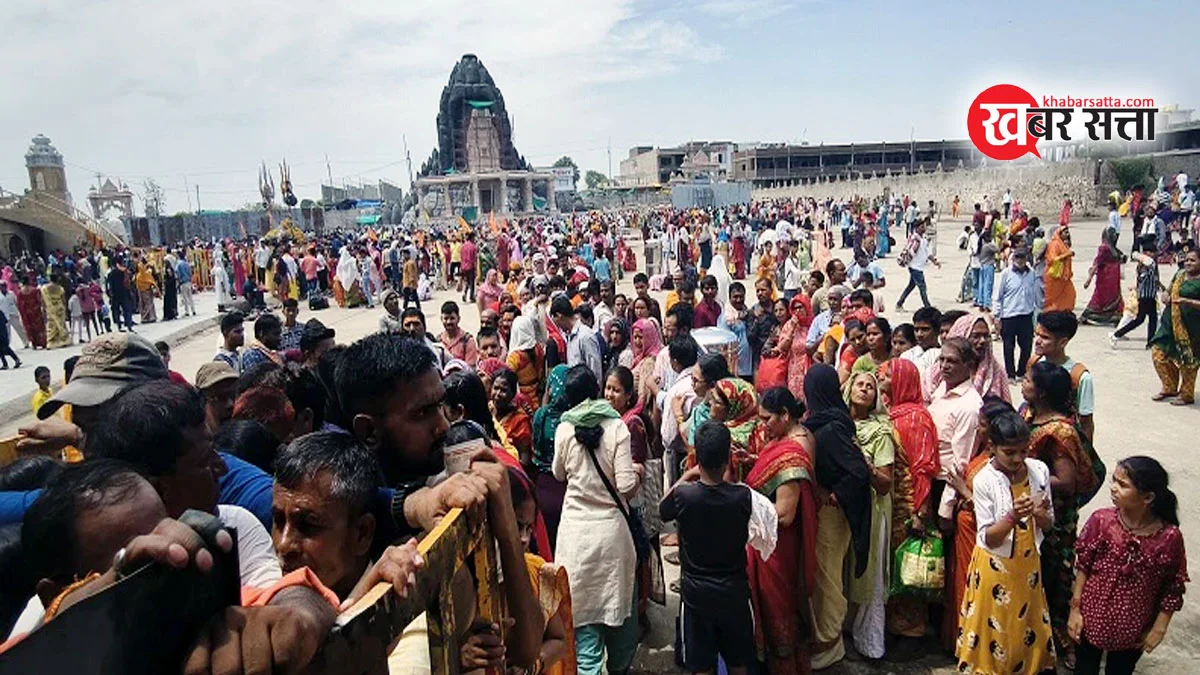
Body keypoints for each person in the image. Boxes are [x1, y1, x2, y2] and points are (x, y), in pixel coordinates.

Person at [954, 406, 1056, 675]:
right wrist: (1013, 515)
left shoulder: (1039, 472)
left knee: (1023, 624)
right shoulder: (985, 479)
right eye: (1009, 453)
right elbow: (988, 535)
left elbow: (1048, 523)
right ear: (992, 448)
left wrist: (1039, 513)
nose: (1018, 459)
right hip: (996, 564)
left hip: (1028, 561)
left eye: (1023, 451)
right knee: (996, 622)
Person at [552, 365, 639, 675]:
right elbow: (627, 487)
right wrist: (639, 475)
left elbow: (558, 474)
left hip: (575, 538)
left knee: (585, 628)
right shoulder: (618, 428)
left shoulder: (563, 429)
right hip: (612, 538)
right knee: (619, 621)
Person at [1069, 456, 1188, 675]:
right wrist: (1075, 610)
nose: (1113, 488)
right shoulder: (1102, 521)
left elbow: (1173, 587)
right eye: (1114, 481)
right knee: (1084, 668)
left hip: (1134, 629)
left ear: (1148, 497)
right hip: (1091, 618)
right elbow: (1084, 566)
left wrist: (1159, 628)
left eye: (1123, 485)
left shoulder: (1169, 538)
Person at [660, 421, 761, 675]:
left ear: (698, 457)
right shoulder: (743, 497)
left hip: (696, 594)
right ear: (727, 458)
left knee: (701, 665)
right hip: (734, 591)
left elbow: (663, 509)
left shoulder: (684, 496)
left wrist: (687, 475)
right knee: (739, 662)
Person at [1023, 361, 1098, 664]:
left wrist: (1023, 476)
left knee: (1054, 577)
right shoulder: (1031, 416)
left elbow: (1065, 481)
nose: (1023, 383)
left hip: (1054, 520)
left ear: (1040, 392)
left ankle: (1063, 643)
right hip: (1031, 513)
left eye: (1027, 380)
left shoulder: (1059, 432)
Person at [803, 364, 872, 669]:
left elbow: (857, 472)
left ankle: (829, 648)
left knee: (827, 580)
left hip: (832, 516)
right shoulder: (832, 419)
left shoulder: (829, 429)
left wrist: (833, 495)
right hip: (829, 515)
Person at [744, 387, 817, 674]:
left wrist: (743, 506)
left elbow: (785, 514)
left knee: (778, 606)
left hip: (777, 546)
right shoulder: (780, 445)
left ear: (785, 416)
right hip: (768, 540)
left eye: (767, 419)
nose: (763, 426)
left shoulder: (792, 455)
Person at [844, 368, 898, 660]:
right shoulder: (841, 426)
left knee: (869, 573)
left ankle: (870, 643)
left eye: (870, 386)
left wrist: (864, 463)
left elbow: (885, 483)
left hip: (874, 509)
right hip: (846, 510)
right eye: (859, 384)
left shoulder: (880, 432)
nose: (864, 389)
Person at [508, 465, 577, 675]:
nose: (524, 538)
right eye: (516, 526)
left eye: (529, 529)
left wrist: (530, 667)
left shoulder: (537, 572)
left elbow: (558, 640)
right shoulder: (466, 581)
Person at [1032, 310, 1095, 442]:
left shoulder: (1080, 377)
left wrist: (1086, 456)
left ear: (1062, 342)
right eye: (1036, 335)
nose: (1037, 341)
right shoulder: (1034, 363)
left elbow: (1086, 422)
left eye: (1045, 337)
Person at [1150, 248, 1200, 405]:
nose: (1188, 263)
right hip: (1170, 323)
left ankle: (1186, 394)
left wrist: (1187, 302)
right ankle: (1169, 387)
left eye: (1193, 260)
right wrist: (1165, 296)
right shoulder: (1179, 275)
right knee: (1158, 353)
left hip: (1192, 328)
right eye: (1187, 260)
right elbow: (1169, 291)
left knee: (1188, 361)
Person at [532, 364, 571, 547]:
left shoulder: (541, 415)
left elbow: (535, 448)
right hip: (567, 488)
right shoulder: (573, 419)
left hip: (543, 487)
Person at [1111, 234, 1164, 348]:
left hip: (1150, 295)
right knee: (1140, 320)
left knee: (1153, 319)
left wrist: (1161, 287)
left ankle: (1150, 342)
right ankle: (1116, 334)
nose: (1153, 255)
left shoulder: (1147, 264)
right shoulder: (1147, 265)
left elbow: (1153, 279)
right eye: (1151, 252)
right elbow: (1145, 273)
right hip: (1145, 296)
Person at [994, 248, 1039, 381]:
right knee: (1009, 346)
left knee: (1027, 346)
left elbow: (1035, 295)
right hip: (1009, 316)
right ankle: (1010, 374)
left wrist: (1036, 317)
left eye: (1022, 257)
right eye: (1017, 257)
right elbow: (998, 296)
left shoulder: (1031, 274)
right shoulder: (1006, 274)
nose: (1020, 260)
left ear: (1026, 258)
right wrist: (997, 316)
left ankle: (1021, 372)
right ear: (1013, 259)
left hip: (1026, 315)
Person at [1082, 227, 1127, 325]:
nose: (1115, 237)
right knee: (1101, 296)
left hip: (1111, 278)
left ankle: (1110, 316)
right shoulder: (1104, 248)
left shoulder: (1112, 248)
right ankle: (1093, 315)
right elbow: (1098, 263)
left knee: (1110, 296)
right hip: (1106, 278)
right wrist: (1089, 280)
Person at [492, 367, 533, 469]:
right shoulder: (486, 410)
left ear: (513, 394)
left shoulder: (520, 421)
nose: (498, 394)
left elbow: (525, 461)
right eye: (496, 388)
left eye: (503, 390)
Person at [895, 219, 939, 311]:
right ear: (916, 228)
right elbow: (910, 251)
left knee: (911, 286)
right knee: (922, 287)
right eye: (922, 227)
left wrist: (934, 261)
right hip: (915, 267)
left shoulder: (923, 239)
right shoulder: (915, 239)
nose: (924, 228)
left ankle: (899, 303)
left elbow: (927, 253)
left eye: (924, 226)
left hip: (919, 267)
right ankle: (927, 307)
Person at [507, 314, 547, 402]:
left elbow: (508, 381)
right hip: (539, 396)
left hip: (523, 400)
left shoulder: (514, 357)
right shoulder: (538, 348)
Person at [630, 318, 663, 405]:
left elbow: (644, 396)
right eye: (635, 337)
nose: (637, 341)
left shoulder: (649, 362)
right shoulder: (639, 358)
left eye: (641, 337)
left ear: (649, 337)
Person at [1044, 226, 1077, 312]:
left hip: (1064, 278)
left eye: (1068, 232)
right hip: (1055, 277)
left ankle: (1063, 313)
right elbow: (1052, 259)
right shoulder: (1054, 244)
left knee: (1070, 295)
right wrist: (1066, 255)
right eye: (1065, 232)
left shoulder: (1064, 244)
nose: (1067, 234)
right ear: (1059, 233)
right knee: (1053, 299)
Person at [439, 301, 478, 367]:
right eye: (446, 318)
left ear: (458, 319)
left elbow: (470, 368)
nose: (449, 322)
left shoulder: (467, 341)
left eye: (452, 318)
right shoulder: (438, 341)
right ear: (441, 319)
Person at [42, 275, 70, 349]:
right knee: (61, 324)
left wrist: (44, 308)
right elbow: (63, 300)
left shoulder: (44, 288)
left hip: (50, 309)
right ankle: (63, 340)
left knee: (51, 325)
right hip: (59, 308)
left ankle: (51, 342)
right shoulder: (60, 289)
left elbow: (43, 300)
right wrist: (65, 308)